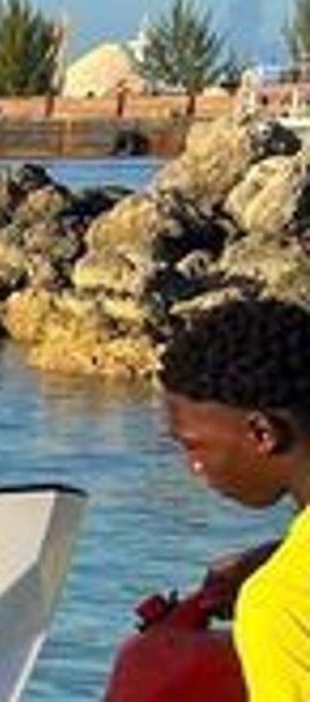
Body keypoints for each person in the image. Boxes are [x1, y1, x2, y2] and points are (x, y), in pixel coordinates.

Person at [160, 297, 310, 700]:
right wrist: (275, 554)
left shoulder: (280, 606)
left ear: (263, 433)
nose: (193, 468)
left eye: (194, 447)